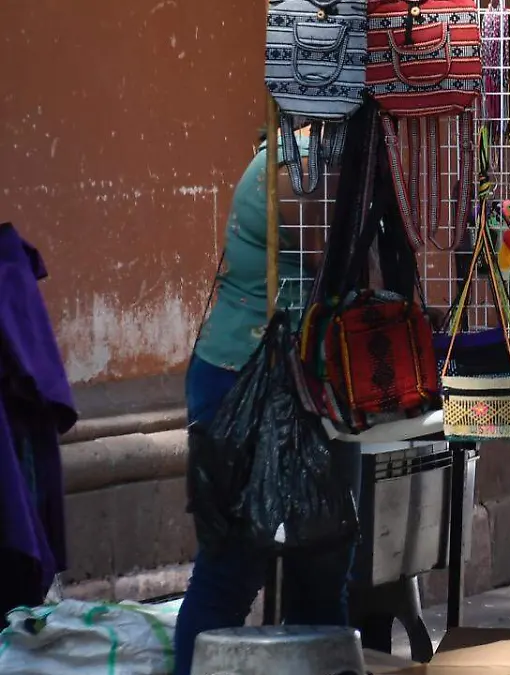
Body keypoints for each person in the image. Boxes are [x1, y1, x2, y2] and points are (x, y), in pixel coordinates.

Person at [174, 132, 360, 675]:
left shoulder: (334, 160)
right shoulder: (290, 167)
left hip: (310, 389)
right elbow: (338, 250)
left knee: (323, 570)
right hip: (244, 385)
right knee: (230, 570)